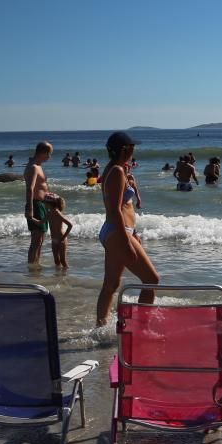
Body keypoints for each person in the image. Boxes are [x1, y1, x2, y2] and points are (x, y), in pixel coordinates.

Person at [96, 132, 159, 326]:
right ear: (125, 149)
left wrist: (134, 233)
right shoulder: (116, 171)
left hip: (118, 230)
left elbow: (125, 206)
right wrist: (126, 242)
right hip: (118, 231)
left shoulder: (116, 169)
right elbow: (115, 210)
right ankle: (141, 325)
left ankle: (100, 326)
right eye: (132, 147)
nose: (134, 150)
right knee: (151, 280)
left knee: (111, 283)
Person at [24, 141, 53, 266]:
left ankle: (36, 265)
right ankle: (32, 267)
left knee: (40, 239)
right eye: (49, 153)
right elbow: (30, 188)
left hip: (41, 204)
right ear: (44, 152)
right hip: (35, 205)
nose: (50, 157)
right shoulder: (33, 167)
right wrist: (30, 208)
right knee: (36, 240)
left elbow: (41, 186)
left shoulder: (38, 166)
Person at [45, 195, 73, 269]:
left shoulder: (57, 213)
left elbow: (70, 225)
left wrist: (63, 238)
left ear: (49, 204)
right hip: (54, 240)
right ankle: (58, 277)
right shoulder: (48, 213)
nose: (44, 204)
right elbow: (40, 222)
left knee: (63, 261)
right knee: (56, 261)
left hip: (61, 239)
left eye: (45, 203)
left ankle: (65, 276)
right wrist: (31, 218)